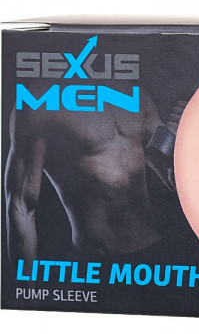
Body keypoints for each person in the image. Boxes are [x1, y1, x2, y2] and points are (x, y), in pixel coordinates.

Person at [5, 85, 179, 268]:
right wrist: (25, 284)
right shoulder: (37, 101)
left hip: (154, 254)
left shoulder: (136, 93)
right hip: (95, 261)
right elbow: (21, 207)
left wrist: (181, 138)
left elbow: (170, 174)